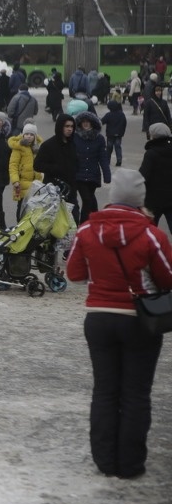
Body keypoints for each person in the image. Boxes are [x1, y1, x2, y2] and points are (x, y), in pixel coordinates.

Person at [65, 169, 172, 480]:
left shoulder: (87, 230)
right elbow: (167, 277)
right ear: (139, 199)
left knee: (105, 391)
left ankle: (105, 460)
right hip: (139, 319)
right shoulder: (151, 234)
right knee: (136, 393)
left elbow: (74, 274)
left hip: (98, 317)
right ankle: (130, 464)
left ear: (111, 197)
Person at [34, 113, 79, 216]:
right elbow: (37, 165)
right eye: (67, 126)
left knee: (74, 217)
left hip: (70, 189)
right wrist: (55, 168)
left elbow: (76, 163)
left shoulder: (73, 144)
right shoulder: (48, 145)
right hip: (53, 189)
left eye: (72, 126)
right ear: (60, 127)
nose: (70, 129)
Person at [73, 111, 111, 223]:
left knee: (91, 198)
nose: (85, 124)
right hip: (79, 175)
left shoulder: (99, 139)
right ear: (80, 123)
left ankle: (96, 221)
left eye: (88, 122)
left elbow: (103, 158)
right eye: (83, 122)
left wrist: (107, 175)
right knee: (87, 199)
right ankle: (83, 224)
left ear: (92, 123)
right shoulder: (75, 137)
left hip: (93, 175)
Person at [139, 123, 172, 229]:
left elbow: (143, 176)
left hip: (153, 199)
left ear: (153, 135)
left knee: (149, 229)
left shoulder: (151, 153)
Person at [9, 122, 43, 220]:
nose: (29, 136)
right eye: (27, 134)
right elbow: (13, 165)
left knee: (34, 209)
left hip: (36, 184)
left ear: (35, 136)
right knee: (21, 208)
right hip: (22, 183)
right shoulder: (18, 148)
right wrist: (15, 180)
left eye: (31, 134)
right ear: (23, 135)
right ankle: (20, 227)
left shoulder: (38, 148)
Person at [100, 99, 127, 167]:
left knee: (109, 148)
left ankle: (107, 160)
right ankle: (119, 160)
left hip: (110, 134)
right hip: (119, 134)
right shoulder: (121, 114)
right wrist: (122, 132)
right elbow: (124, 123)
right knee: (118, 147)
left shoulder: (108, 115)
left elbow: (102, 122)